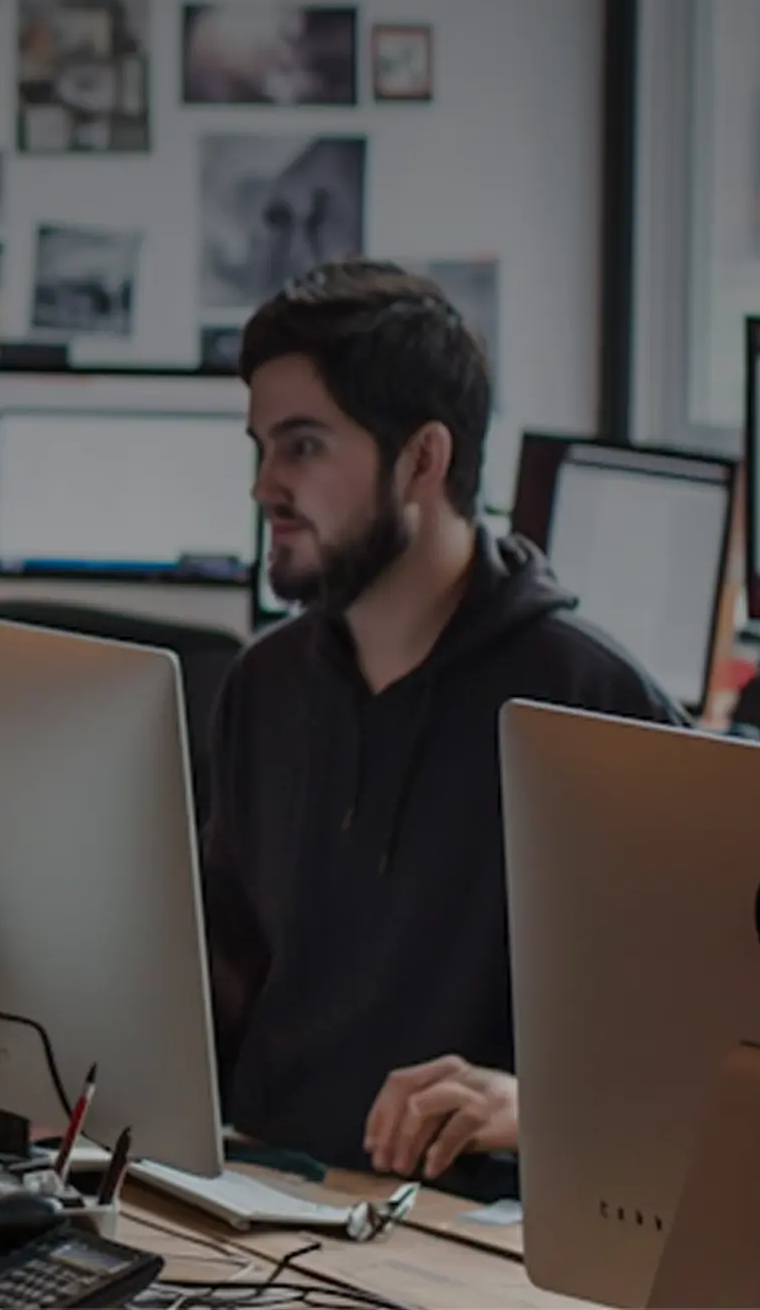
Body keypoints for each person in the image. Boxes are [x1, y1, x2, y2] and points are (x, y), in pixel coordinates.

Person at [203, 259, 683, 1198]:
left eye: (302, 447)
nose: (265, 485)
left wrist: (534, 1107)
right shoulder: (261, 685)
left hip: (459, 1235)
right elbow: (214, 987)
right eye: (260, 447)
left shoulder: (590, 704)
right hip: (250, 1197)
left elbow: (720, 1044)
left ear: (423, 459)